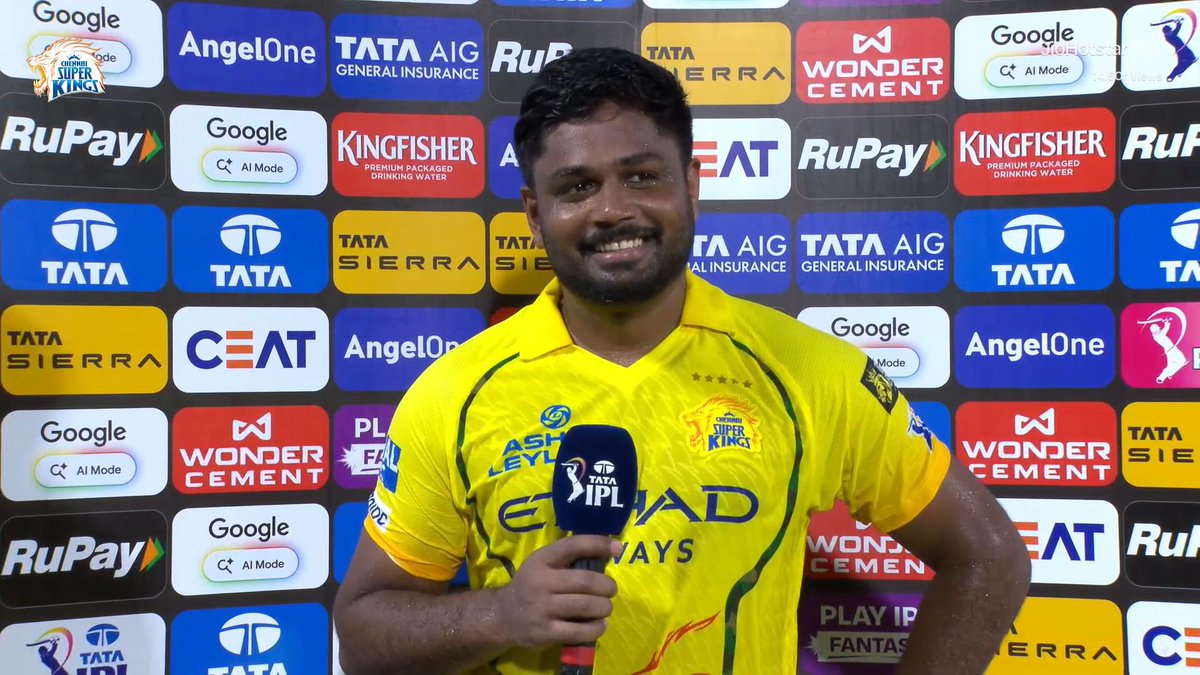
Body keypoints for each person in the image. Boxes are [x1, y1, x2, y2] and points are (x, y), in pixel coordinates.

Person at [334, 47, 1030, 675]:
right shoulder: (455, 392)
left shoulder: (811, 369)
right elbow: (363, 635)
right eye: (576, 187)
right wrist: (501, 614)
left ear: (691, 184)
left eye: (642, 176)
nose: (612, 210)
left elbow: (987, 553)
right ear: (535, 214)